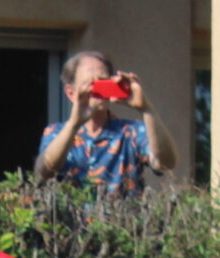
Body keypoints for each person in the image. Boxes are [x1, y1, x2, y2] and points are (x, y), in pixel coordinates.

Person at [36, 49, 178, 195]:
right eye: (90, 84)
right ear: (71, 93)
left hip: (121, 217)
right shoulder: (56, 133)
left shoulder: (131, 132)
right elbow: (44, 172)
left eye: (103, 82)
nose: (97, 90)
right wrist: (74, 124)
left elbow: (165, 164)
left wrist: (146, 109)